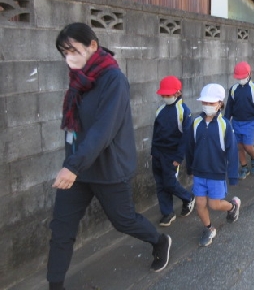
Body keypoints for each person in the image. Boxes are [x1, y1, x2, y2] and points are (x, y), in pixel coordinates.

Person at [48, 23, 171, 290]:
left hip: (107, 167)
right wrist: (72, 163)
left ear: (92, 45)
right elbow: (75, 128)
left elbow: (103, 130)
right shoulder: (77, 80)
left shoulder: (114, 80)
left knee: (123, 220)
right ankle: (54, 285)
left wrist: (72, 165)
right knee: (61, 229)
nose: (68, 57)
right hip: (78, 168)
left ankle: (159, 240)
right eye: (63, 52)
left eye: (72, 50)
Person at [186, 83, 241, 247]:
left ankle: (232, 206)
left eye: (211, 103)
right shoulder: (195, 123)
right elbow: (190, 147)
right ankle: (209, 228)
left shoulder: (225, 125)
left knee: (215, 204)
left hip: (216, 172)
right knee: (200, 204)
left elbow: (232, 151)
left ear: (220, 104)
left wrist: (232, 175)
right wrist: (190, 168)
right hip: (199, 172)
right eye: (205, 102)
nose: (207, 106)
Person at [152, 76, 195, 227]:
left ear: (178, 93)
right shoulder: (160, 110)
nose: (165, 97)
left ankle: (188, 197)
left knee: (169, 183)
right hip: (158, 153)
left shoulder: (183, 111)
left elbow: (186, 137)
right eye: (163, 95)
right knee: (160, 184)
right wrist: (153, 153)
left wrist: (179, 157)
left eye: (168, 95)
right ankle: (167, 213)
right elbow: (156, 133)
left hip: (171, 155)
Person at [225, 61, 254, 180]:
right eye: (238, 77)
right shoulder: (233, 89)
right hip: (236, 122)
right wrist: (225, 122)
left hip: (250, 121)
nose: (241, 79)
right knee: (238, 146)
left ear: (249, 74)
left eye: (243, 77)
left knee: (248, 146)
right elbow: (229, 107)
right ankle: (244, 167)